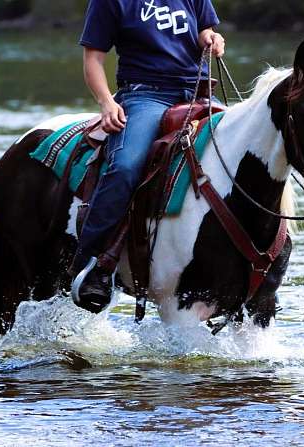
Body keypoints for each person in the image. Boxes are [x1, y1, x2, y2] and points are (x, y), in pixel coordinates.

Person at [69, 0, 226, 313]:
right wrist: (106, 103)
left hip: (198, 93)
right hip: (144, 95)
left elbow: (204, 31)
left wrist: (212, 39)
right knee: (126, 167)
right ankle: (91, 266)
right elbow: (93, 60)